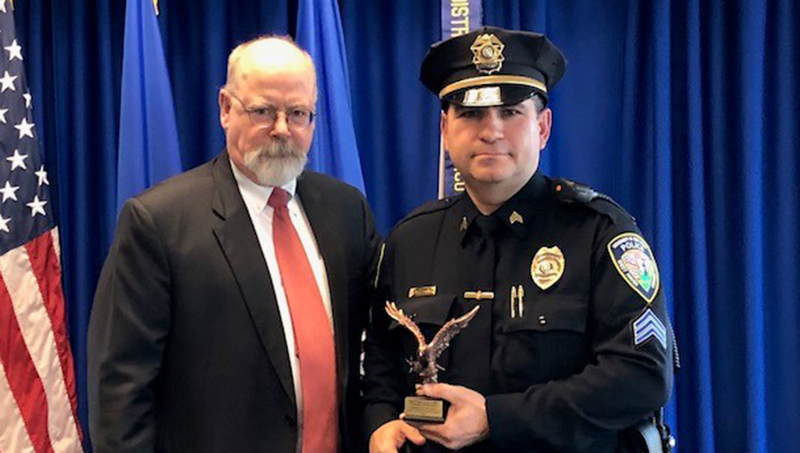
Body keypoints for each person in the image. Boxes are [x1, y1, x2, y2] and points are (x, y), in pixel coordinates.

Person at [361, 27, 674, 453]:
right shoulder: (409, 241)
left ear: (543, 128)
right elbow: (379, 364)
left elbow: (642, 376)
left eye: (510, 112)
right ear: (444, 129)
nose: (491, 131)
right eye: (470, 114)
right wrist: (380, 425)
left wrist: (496, 418)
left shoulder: (600, 232)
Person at [88, 36, 381, 453]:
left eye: (298, 113)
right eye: (264, 111)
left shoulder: (346, 210)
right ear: (226, 108)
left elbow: (380, 342)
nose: (282, 129)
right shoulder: (159, 222)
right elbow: (121, 393)